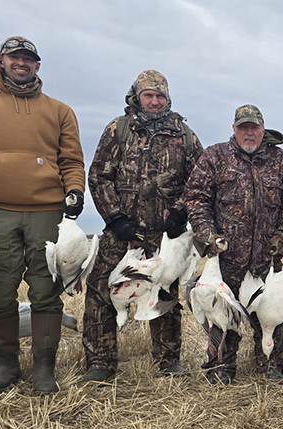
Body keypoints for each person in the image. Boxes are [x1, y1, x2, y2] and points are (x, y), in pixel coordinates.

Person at [0, 36, 85, 394]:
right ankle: (5, 367)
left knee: (46, 290)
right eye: (14, 58)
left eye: (28, 59)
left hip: (48, 213)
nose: (21, 63)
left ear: (38, 66)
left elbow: (71, 160)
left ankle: (44, 369)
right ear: (1, 62)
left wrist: (75, 191)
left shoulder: (60, 111)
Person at [81, 70, 205, 383]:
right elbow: (98, 176)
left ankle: (167, 360)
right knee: (101, 289)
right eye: (148, 95)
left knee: (165, 291)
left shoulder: (184, 134)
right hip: (123, 230)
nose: (154, 101)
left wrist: (180, 213)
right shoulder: (119, 129)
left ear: (168, 99)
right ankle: (100, 363)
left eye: (159, 96)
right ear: (137, 96)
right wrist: (115, 217)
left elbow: (200, 181)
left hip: (164, 234)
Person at [185, 104, 283, 385]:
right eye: (243, 128)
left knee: (271, 314)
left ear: (263, 130)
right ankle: (222, 366)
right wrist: (207, 234)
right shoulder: (215, 156)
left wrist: (282, 232)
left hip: (267, 257)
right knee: (223, 315)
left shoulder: (281, 160)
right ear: (234, 129)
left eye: (254, 128)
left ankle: (270, 365)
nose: (249, 133)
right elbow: (195, 197)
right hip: (227, 257)